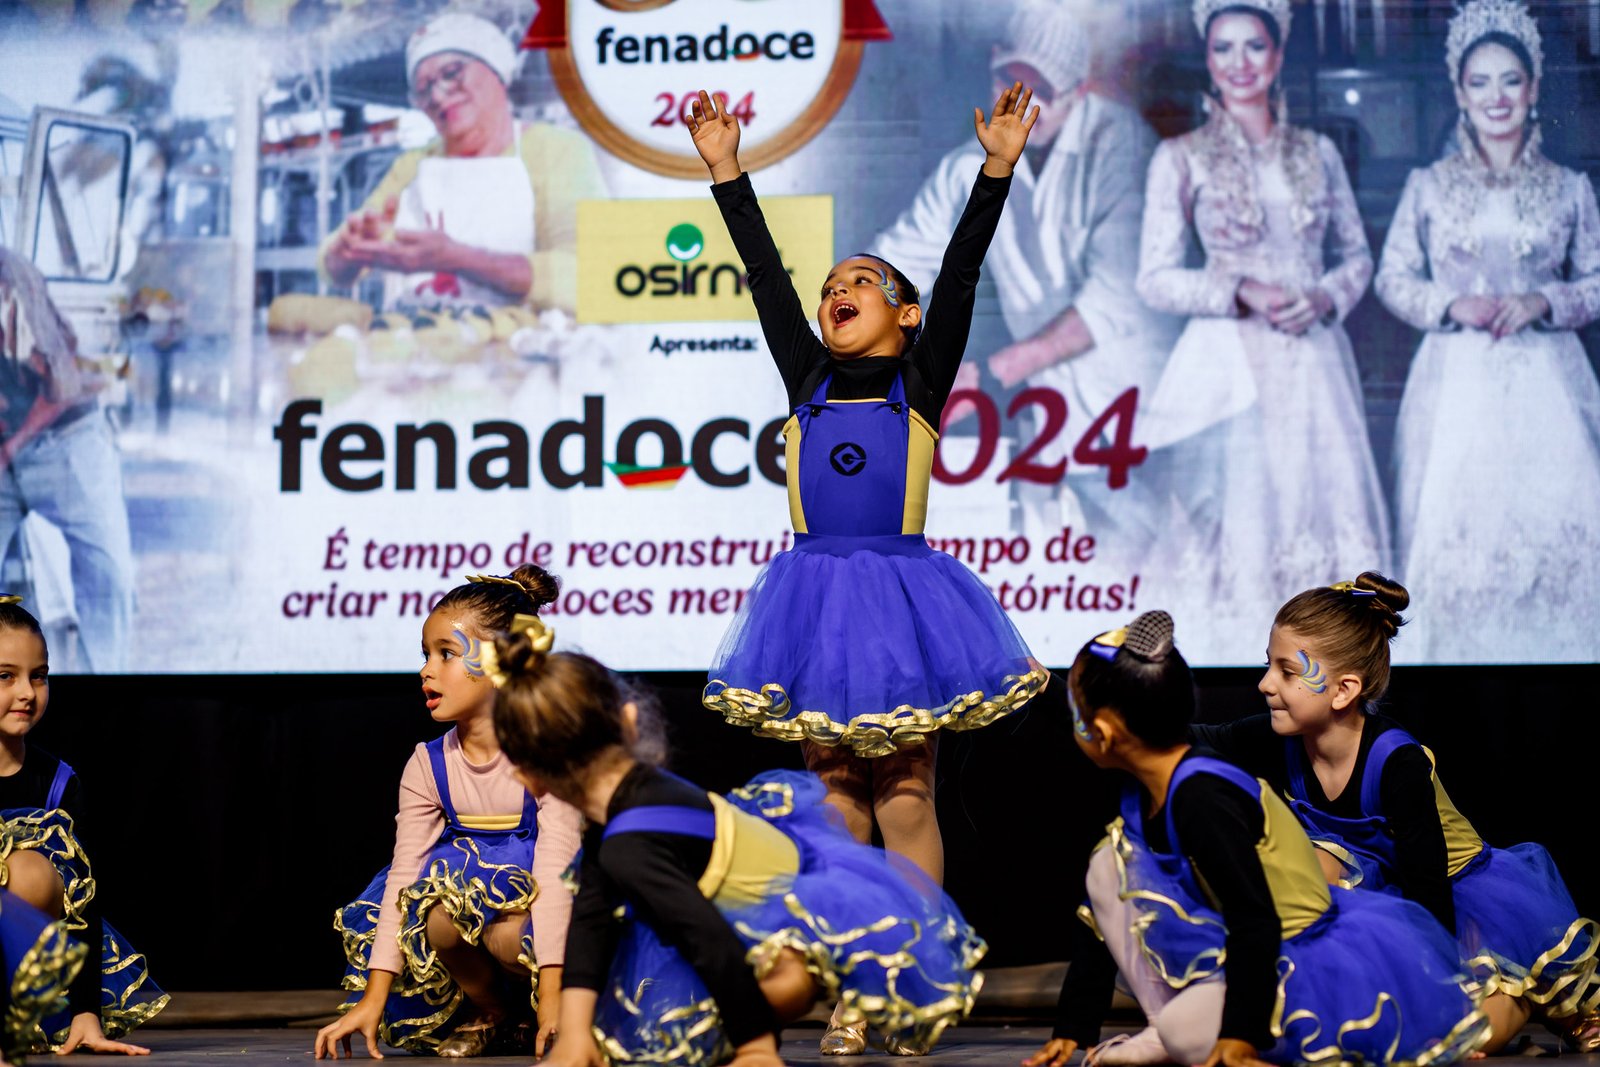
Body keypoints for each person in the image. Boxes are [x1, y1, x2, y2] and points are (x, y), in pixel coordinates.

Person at [689, 82, 1049, 1048]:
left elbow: (965, 271)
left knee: (907, 792)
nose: (835, 293)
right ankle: (856, 976)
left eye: (859, 282)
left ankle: (915, 975)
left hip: (899, 602)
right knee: (837, 796)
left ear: (905, 313)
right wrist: (728, 172)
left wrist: (997, 169)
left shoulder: (917, 383)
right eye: (830, 288)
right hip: (813, 605)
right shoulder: (805, 378)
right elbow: (766, 274)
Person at [488, 615, 985, 1067]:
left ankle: (756, 1031)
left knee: (672, 1026)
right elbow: (591, 922)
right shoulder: (620, 817)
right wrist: (574, 1031)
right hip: (750, 928)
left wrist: (754, 1048)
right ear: (629, 721)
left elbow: (711, 940)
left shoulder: (633, 840)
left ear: (527, 776)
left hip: (809, 934)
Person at [1027, 610, 1489, 1067]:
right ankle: (1169, 1025)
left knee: (1477, 1022)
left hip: (1344, 933)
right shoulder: (1155, 781)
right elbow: (1098, 915)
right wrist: (1074, 1027)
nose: (1265, 684)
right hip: (1281, 932)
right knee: (1107, 863)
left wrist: (1240, 1037)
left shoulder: (1204, 795)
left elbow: (1260, 918)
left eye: (1286, 671)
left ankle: (1207, 1031)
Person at [1190, 573, 1600, 1053]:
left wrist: (1431, 992)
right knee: (1306, 866)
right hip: (1376, 886)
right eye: (1268, 666)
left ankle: (1523, 994)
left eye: (1287, 672)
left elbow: (1427, 890)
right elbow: (1200, 738)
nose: (1265, 684)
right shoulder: (1277, 738)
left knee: (1463, 1041)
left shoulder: (1396, 763)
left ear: (1343, 690)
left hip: (1454, 897)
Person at [871, 0, 1178, 558]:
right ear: (992, 66)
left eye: (1046, 90)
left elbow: (1116, 299)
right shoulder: (966, 167)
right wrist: (837, 305)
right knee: (1046, 562)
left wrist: (983, 376)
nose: (1025, 104)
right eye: (1011, 81)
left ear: (1080, 91)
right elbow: (899, 263)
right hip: (1044, 403)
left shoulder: (1123, 145)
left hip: (1136, 392)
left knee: (1147, 560)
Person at [1134, 0, 1387, 662]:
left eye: (1254, 47)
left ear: (1277, 58)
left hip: (1312, 357)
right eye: (1224, 49)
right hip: (1226, 365)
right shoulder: (1180, 158)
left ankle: (1325, 666)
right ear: (1209, 62)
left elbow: (1358, 257)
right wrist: (1237, 289)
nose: (1239, 63)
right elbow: (1154, 278)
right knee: (1238, 518)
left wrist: (1324, 295)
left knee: (1318, 509)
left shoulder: (1320, 152)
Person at [1374, 0, 1600, 663]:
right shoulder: (1428, 186)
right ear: (1459, 93)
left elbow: (1596, 279)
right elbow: (1392, 279)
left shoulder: (1570, 187)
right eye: (1480, 82)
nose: (1496, 97)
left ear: (1532, 90)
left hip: (1549, 385)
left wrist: (1544, 299)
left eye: (1510, 80)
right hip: (1455, 385)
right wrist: (1451, 304)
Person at [314, 568, 582, 1060]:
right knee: (434, 919)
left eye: (447, 653)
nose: (426, 670)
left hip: (547, 911)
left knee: (509, 938)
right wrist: (374, 998)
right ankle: (495, 1013)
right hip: (472, 905)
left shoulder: (547, 756)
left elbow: (556, 875)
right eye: (426, 654)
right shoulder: (428, 764)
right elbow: (402, 878)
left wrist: (551, 1001)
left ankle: (546, 1010)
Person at [318, 12, 605, 314]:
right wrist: (346, 254)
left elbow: (589, 276)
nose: (438, 96)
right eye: (424, 89)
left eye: (452, 73)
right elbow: (333, 268)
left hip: (524, 352)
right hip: (416, 351)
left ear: (495, 68)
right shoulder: (412, 166)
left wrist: (458, 259)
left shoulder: (555, 150)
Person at [0, 596, 166, 1054]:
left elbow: (82, 904)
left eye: (39, 675)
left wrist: (86, 1012)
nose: (27, 692)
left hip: (26, 983)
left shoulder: (57, 782)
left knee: (31, 872)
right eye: (5, 677)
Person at [0, 249, 134, 674]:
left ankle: (107, 695)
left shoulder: (13, 283)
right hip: (6, 456)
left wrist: (9, 448)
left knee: (108, 578)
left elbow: (60, 389)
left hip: (68, 444)